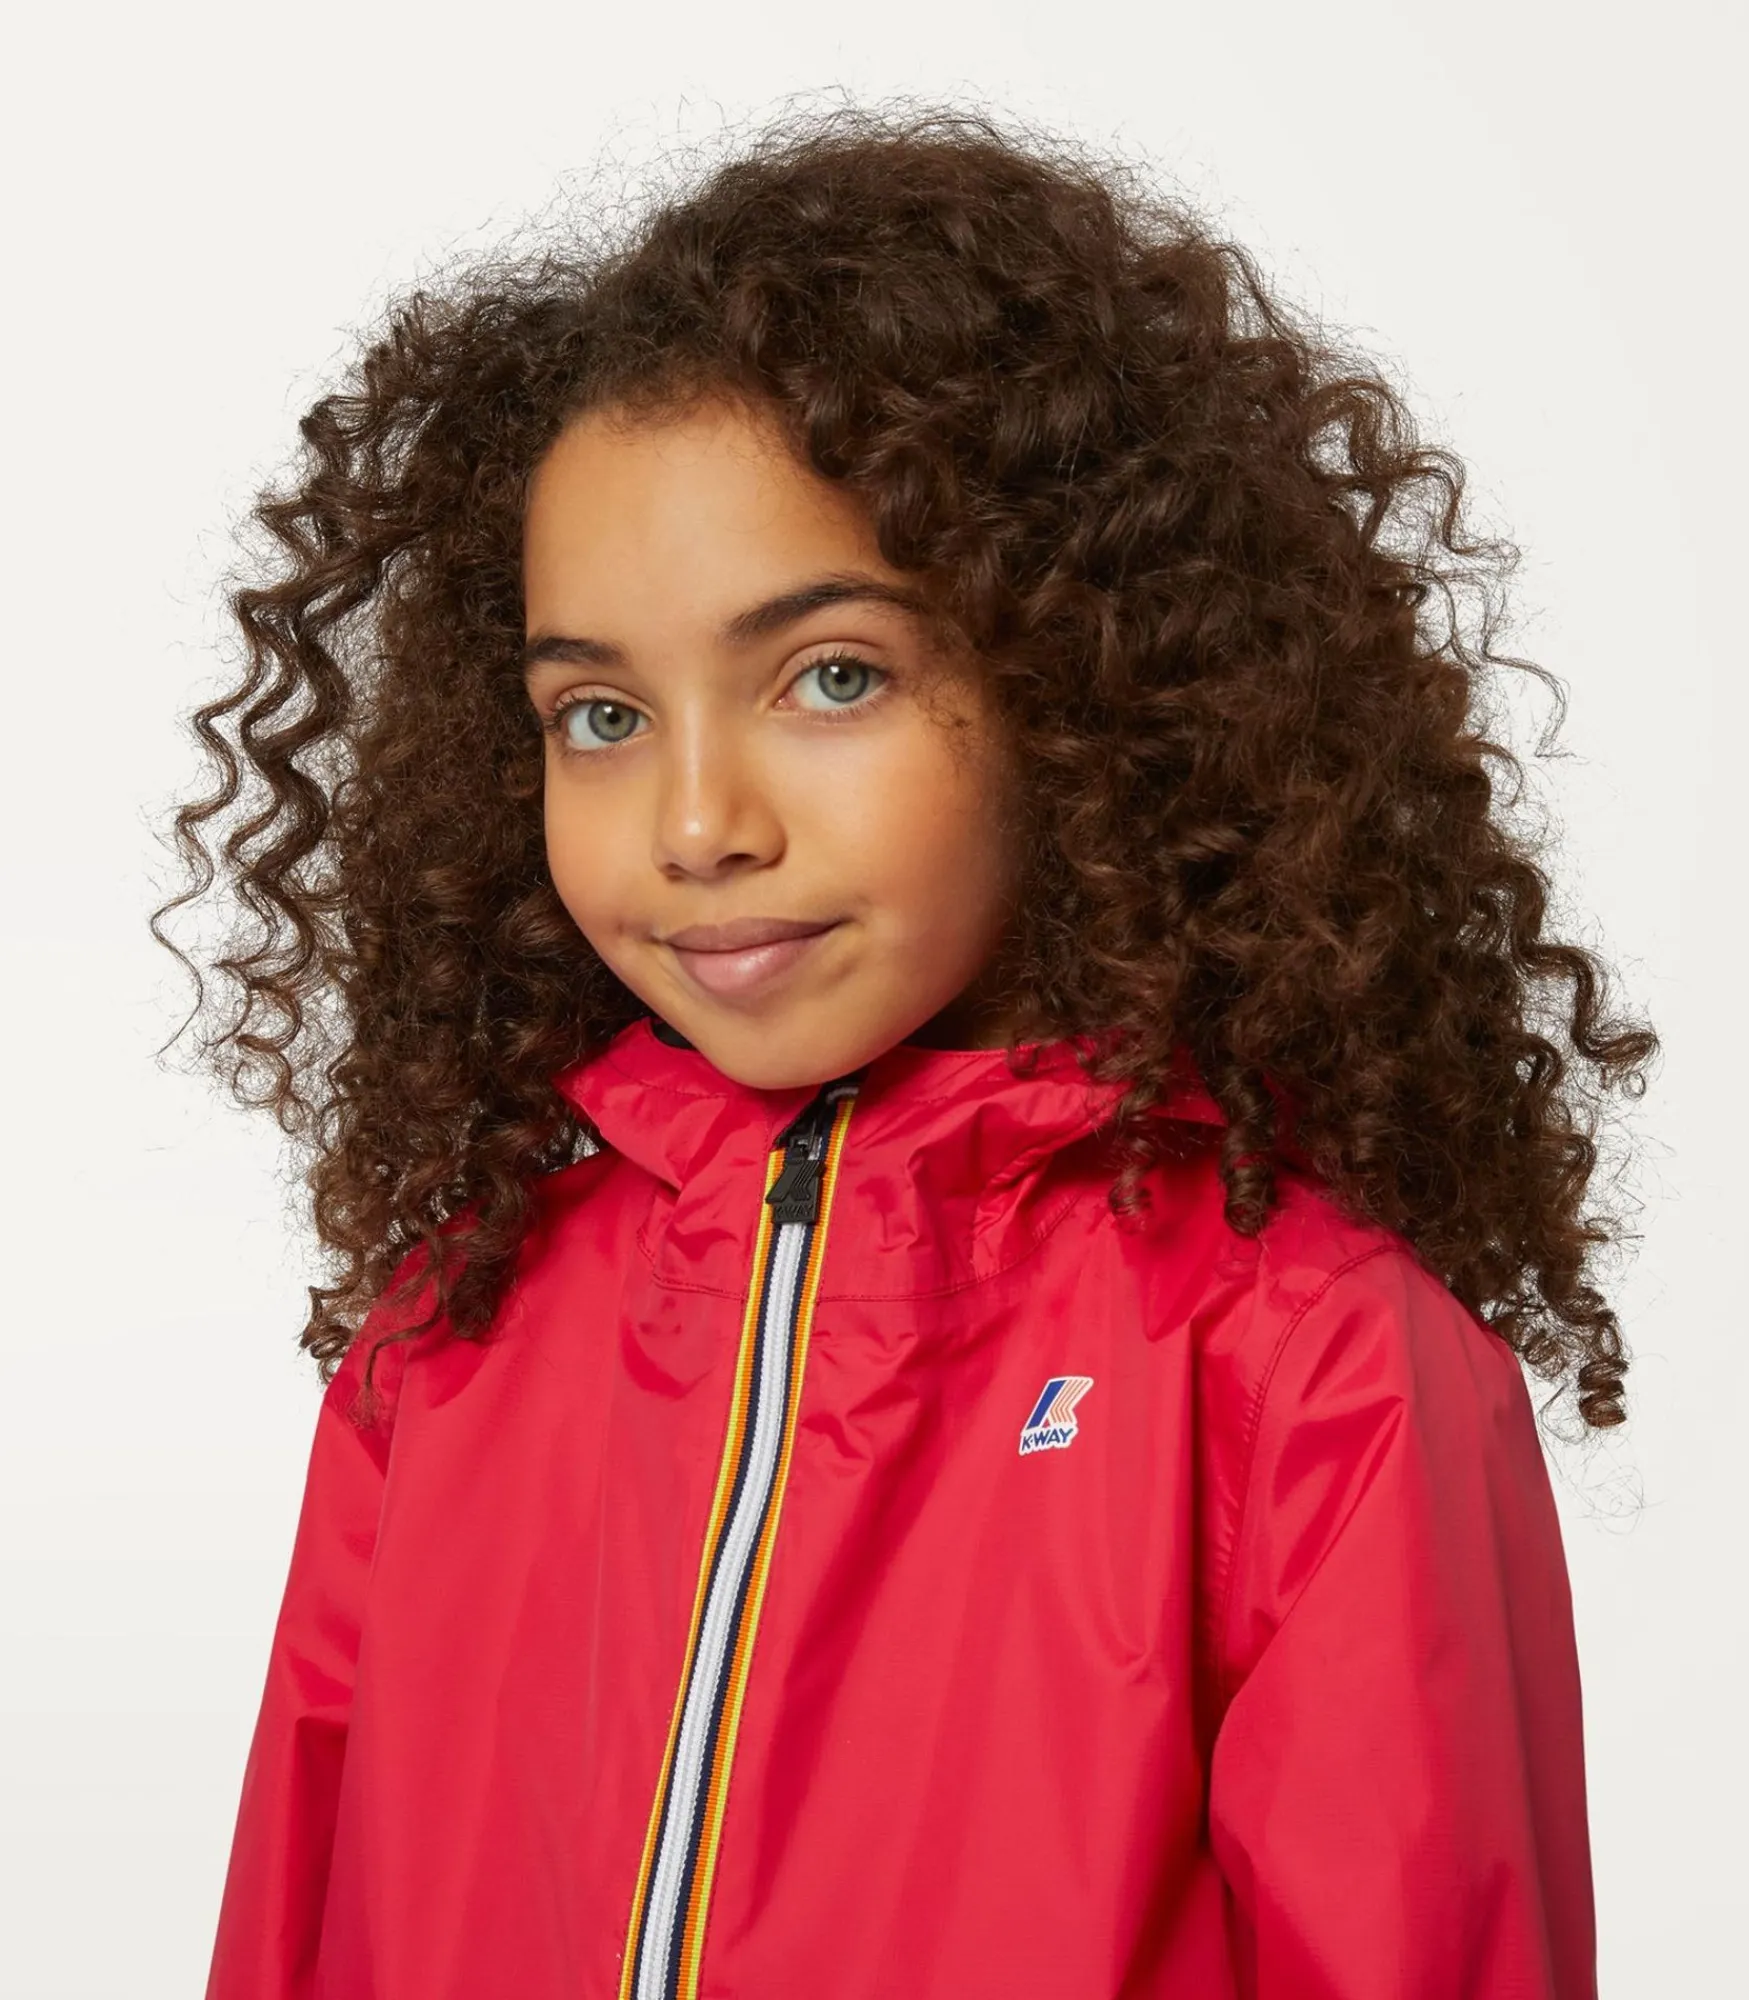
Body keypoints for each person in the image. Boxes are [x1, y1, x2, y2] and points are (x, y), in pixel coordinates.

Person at [163, 104, 1656, 2000]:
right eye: (601, 713)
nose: (696, 823)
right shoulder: (447, 1347)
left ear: (1083, 684)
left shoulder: (1308, 1368)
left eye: (832, 677)